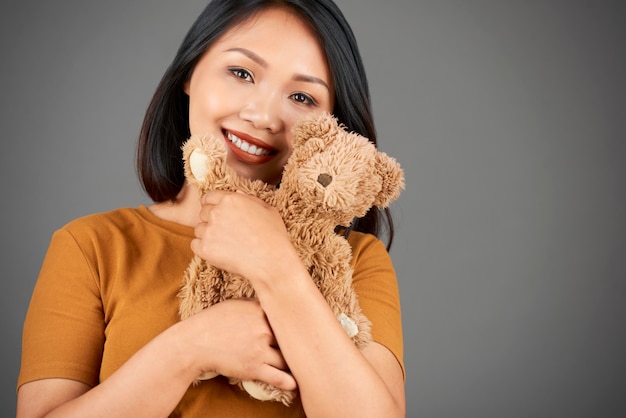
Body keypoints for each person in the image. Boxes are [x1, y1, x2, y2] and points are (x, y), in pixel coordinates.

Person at [16, 0, 405, 416]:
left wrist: (277, 268)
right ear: (188, 73)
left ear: (334, 126)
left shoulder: (355, 262)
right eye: (241, 73)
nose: (262, 116)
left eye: (301, 97)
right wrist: (190, 349)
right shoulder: (91, 246)